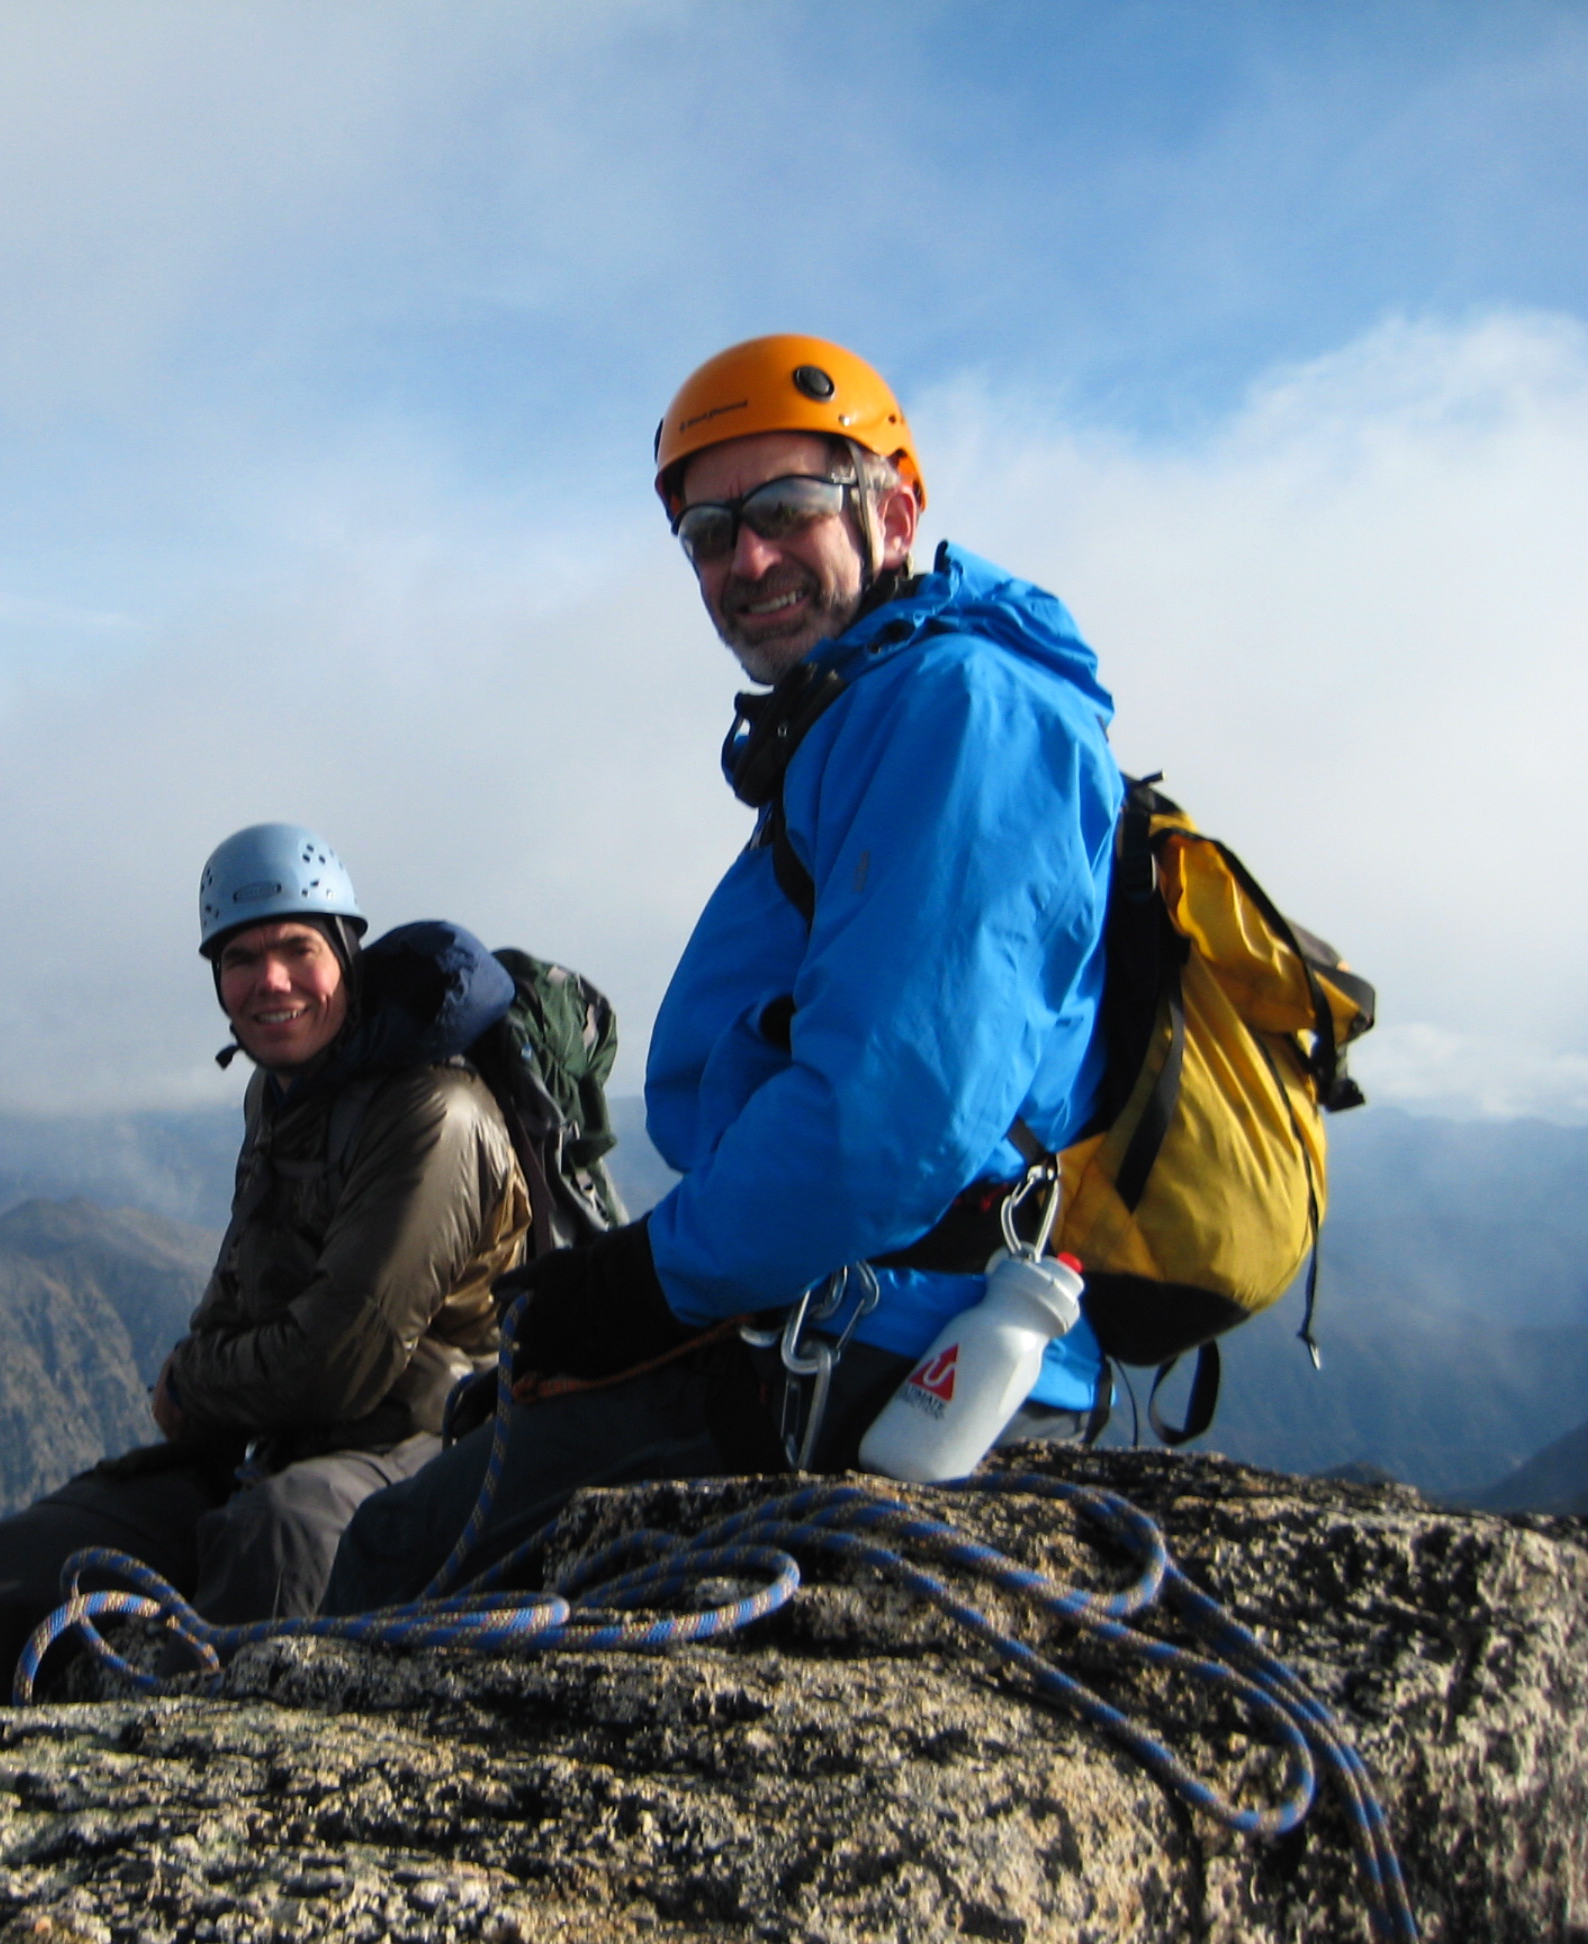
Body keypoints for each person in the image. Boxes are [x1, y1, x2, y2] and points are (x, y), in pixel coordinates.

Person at [326, 335, 1121, 1606]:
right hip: (825, 1310)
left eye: (786, 510)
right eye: (707, 533)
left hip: (876, 1343)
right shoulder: (869, 710)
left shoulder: (960, 712)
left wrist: (632, 1294)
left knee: (393, 1554)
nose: (744, 560)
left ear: (897, 508)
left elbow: (883, 1123)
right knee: (479, 1449)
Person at [0, 822, 529, 1721]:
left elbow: (342, 1359)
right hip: (267, 1443)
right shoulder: (280, 1094)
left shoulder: (433, 1115)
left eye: (299, 948)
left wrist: (191, 1383)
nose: (272, 982)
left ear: (347, 953)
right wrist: (198, 1392)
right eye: (241, 958)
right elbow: (240, 1290)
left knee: (280, 1543)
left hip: (414, 1446)